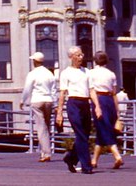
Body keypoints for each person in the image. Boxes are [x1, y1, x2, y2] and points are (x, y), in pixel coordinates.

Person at [57, 46, 97, 174]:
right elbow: (62, 93)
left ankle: (71, 157)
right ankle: (86, 166)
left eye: (81, 55)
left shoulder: (87, 72)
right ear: (71, 57)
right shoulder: (66, 73)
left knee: (85, 134)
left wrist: (97, 106)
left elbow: (92, 90)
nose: (81, 57)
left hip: (85, 103)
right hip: (73, 103)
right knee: (80, 134)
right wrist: (59, 113)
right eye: (78, 55)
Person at [20, 51, 57, 162]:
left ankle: (46, 153)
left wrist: (23, 100)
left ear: (35, 62)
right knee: (47, 126)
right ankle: (44, 151)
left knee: (41, 127)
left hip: (37, 100)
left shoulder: (32, 74)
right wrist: (55, 103)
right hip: (48, 100)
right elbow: (54, 89)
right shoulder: (49, 73)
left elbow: (27, 88)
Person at [89, 52, 124, 169]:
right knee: (102, 129)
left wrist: (96, 105)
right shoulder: (111, 74)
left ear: (95, 61)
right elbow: (114, 93)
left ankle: (117, 155)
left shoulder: (91, 73)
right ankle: (94, 160)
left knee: (103, 127)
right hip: (109, 100)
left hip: (98, 100)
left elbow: (90, 90)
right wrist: (117, 111)